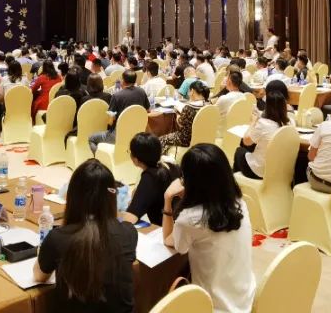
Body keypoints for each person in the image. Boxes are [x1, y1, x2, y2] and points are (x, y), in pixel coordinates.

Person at [162, 144, 255, 313]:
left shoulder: (190, 219)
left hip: (215, 306)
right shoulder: (239, 202)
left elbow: (170, 241)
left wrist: (168, 198)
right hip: (246, 297)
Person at [34, 160, 137, 313]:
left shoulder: (58, 238)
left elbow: (39, 276)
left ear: (72, 196)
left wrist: (44, 252)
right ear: (112, 198)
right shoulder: (129, 233)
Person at [234, 84, 293, 180]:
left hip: (260, 171)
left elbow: (246, 141)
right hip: (279, 171)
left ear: (267, 106)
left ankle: (235, 184)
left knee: (239, 151)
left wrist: (253, 122)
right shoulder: (290, 123)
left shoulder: (263, 124)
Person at [123, 133, 180, 226]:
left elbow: (131, 217)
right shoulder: (171, 166)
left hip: (164, 230)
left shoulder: (150, 177)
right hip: (180, 225)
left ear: (136, 159)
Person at [89, 70, 150, 153]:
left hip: (119, 135)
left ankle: (101, 159)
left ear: (123, 81)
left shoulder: (117, 96)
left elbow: (110, 121)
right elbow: (147, 111)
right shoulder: (142, 92)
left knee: (91, 138)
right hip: (138, 132)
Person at [158, 80, 208, 150]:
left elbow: (180, 124)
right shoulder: (207, 105)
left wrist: (177, 114)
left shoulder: (189, 108)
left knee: (161, 139)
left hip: (186, 139)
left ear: (192, 91)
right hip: (202, 137)